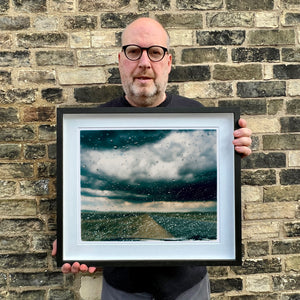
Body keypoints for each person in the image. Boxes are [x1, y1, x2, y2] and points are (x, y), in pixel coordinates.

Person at [52, 17, 252, 300]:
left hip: (188, 288)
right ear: (120, 60)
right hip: (122, 290)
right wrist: (73, 237)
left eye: (155, 52)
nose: (144, 62)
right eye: (134, 51)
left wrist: (236, 148)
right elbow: (74, 197)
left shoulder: (199, 117)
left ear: (168, 62)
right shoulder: (89, 125)